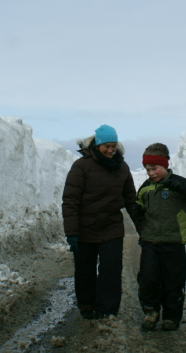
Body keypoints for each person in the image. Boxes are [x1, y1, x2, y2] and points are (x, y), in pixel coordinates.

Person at [61, 124, 141, 319]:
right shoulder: (81, 166)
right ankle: (87, 306)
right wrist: (72, 233)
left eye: (114, 146)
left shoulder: (122, 167)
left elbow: (131, 200)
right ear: (97, 145)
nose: (111, 150)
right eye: (107, 146)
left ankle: (108, 309)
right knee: (85, 270)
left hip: (111, 227)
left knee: (111, 270)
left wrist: (142, 227)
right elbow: (70, 201)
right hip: (85, 228)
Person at [134, 143, 186, 331]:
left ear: (165, 165)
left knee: (173, 281)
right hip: (150, 242)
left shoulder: (179, 183)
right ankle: (151, 311)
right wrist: (138, 215)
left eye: (154, 168)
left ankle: (171, 317)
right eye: (147, 169)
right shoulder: (145, 188)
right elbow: (138, 206)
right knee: (148, 279)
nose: (150, 173)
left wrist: (180, 187)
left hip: (173, 243)